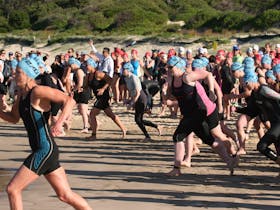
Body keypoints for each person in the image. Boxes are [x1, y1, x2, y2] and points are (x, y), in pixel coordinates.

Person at [0, 58, 92, 210]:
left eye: (18, 72)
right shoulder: (21, 95)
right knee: (65, 195)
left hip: (45, 150)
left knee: (13, 189)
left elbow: (69, 101)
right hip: (45, 150)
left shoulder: (38, 91)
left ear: (29, 75)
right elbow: (14, 118)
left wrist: (59, 122)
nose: (14, 75)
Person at [166, 56, 238, 176]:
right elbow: (173, 96)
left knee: (178, 136)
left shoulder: (188, 76)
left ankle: (176, 168)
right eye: (167, 67)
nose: (168, 70)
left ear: (179, 66)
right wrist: (167, 93)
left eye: (170, 67)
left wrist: (211, 91)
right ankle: (229, 161)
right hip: (191, 113)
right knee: (209, 140)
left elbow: (208, 74)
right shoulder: (172, 80)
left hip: (200, 111)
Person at [86, 58, 127, 140]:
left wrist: (103, 89)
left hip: (104, 96)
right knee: (110, 114)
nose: (86, 66)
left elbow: (110, 80)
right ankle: (124, 128)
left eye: (87, 65)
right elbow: (86, 87)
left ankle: (94, 135)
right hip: (98, 97)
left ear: (91, 66)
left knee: (92, 114)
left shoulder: (98, 73)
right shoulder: (88, 76)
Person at [122, 62, 162, 140]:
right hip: (136, 98)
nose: (123, 70)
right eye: (123, 69)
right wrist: (128, 100)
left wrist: (132, 103)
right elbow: (131, 91)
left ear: (129, 70)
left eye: (124, 69)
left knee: (138, 119)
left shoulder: (134, 77)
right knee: (139, 120)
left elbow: (138, 92)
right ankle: (155, 128)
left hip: (142, 98)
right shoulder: (126, 78)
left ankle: (148, 135)